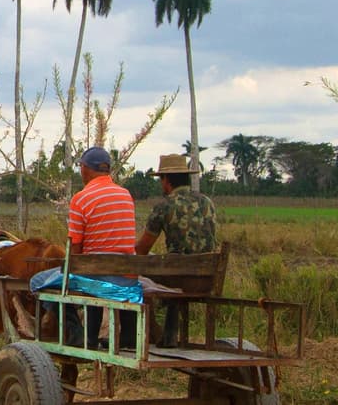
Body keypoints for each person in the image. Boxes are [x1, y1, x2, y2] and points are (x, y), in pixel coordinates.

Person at [136, 153, 220, 346]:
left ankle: (143, 331)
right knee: (173, 264)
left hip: (178, 278)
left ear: (166, 181)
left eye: (161, 180)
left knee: (145, 265)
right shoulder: (207, 202)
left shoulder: (164, 206)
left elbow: (142, 249)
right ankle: (168, 334)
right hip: (208, 277)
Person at [60, 146, 140, 348]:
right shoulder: (126, 195)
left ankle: (81, 336)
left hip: (97, 278)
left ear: (86, 169)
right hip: (128, 280)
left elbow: (75, 250)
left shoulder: (81, 199)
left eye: (81, 167)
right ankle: (128, 337)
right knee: (93, 272)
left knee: (40, 282)